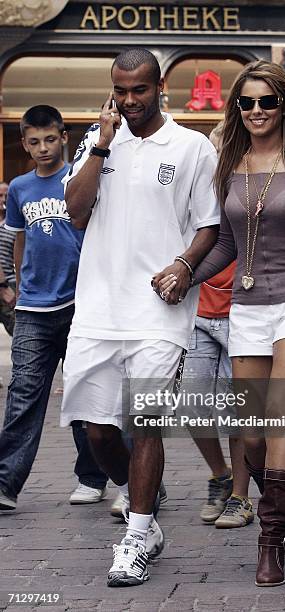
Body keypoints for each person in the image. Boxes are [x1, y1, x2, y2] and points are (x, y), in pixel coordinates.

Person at [155, 60, 285, 587]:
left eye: (268, 101)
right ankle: (283, 508)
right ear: (236, 109)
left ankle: (271, 539)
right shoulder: (227, 165)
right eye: (247, 102)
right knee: (251, 430)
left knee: (278, 415)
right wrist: (186, 273)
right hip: (248, 307)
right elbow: (224, 244)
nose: (258, 110)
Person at [60, 48, 220, 587]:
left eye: (140, 90)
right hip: (98, 309)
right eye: (120, 90)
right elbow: (75, 211)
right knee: (99, 431)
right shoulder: (97, 141)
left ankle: (139, 533)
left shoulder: (192, 146)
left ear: (159, 89)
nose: (129, 100)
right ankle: (138, 495)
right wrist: (102, 146)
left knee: (145, 423)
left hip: (157, 312)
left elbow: (209, 224)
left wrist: (183, 265)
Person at [0, 105, 108, 512]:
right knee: (23, 394)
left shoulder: (80, 177)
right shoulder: (21, 188)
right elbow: (15, 238)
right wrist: (13, 284)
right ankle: (5, 483)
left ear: (63, 137)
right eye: (34, 142)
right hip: (33, 308)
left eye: (50, 139)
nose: (43, 148)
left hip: (82, 303)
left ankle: (95, 477)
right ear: (25, 144)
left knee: (84, 393)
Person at [185, 123, 253, 529]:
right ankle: (220, 476)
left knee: (239, 413)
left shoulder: (250, 192)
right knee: (192, 405)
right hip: (197, 313)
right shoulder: (196, 193)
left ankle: (241, 498)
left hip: (241, 313)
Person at [0, 181, 16, 336]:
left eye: (6, 196)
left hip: (10, 283)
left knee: (17, 330)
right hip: (3, 286)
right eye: (0, 195)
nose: (3, 199)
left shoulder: (13, 224)